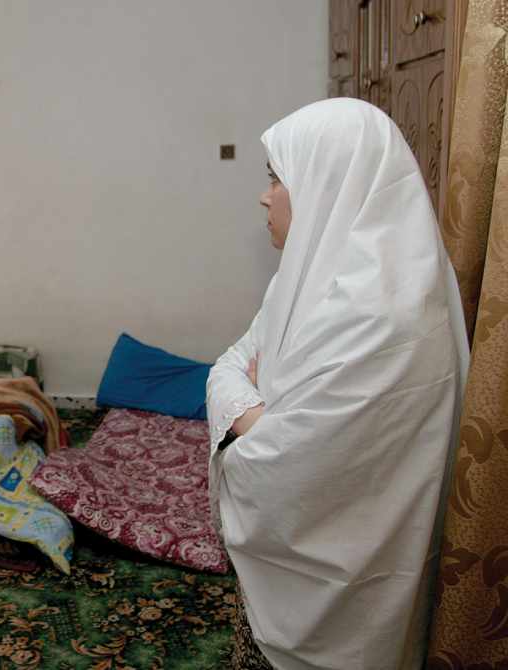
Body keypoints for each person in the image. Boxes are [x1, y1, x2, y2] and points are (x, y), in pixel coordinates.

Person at [206, 98, 468, 669]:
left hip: (350, 597)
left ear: (329, 181)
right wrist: (260, 408)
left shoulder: (385, 319)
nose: (263, 195)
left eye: (277, 178)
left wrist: (250, 416)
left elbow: (288, 466)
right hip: (277, 589)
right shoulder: (304, 277)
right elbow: (228, 364)